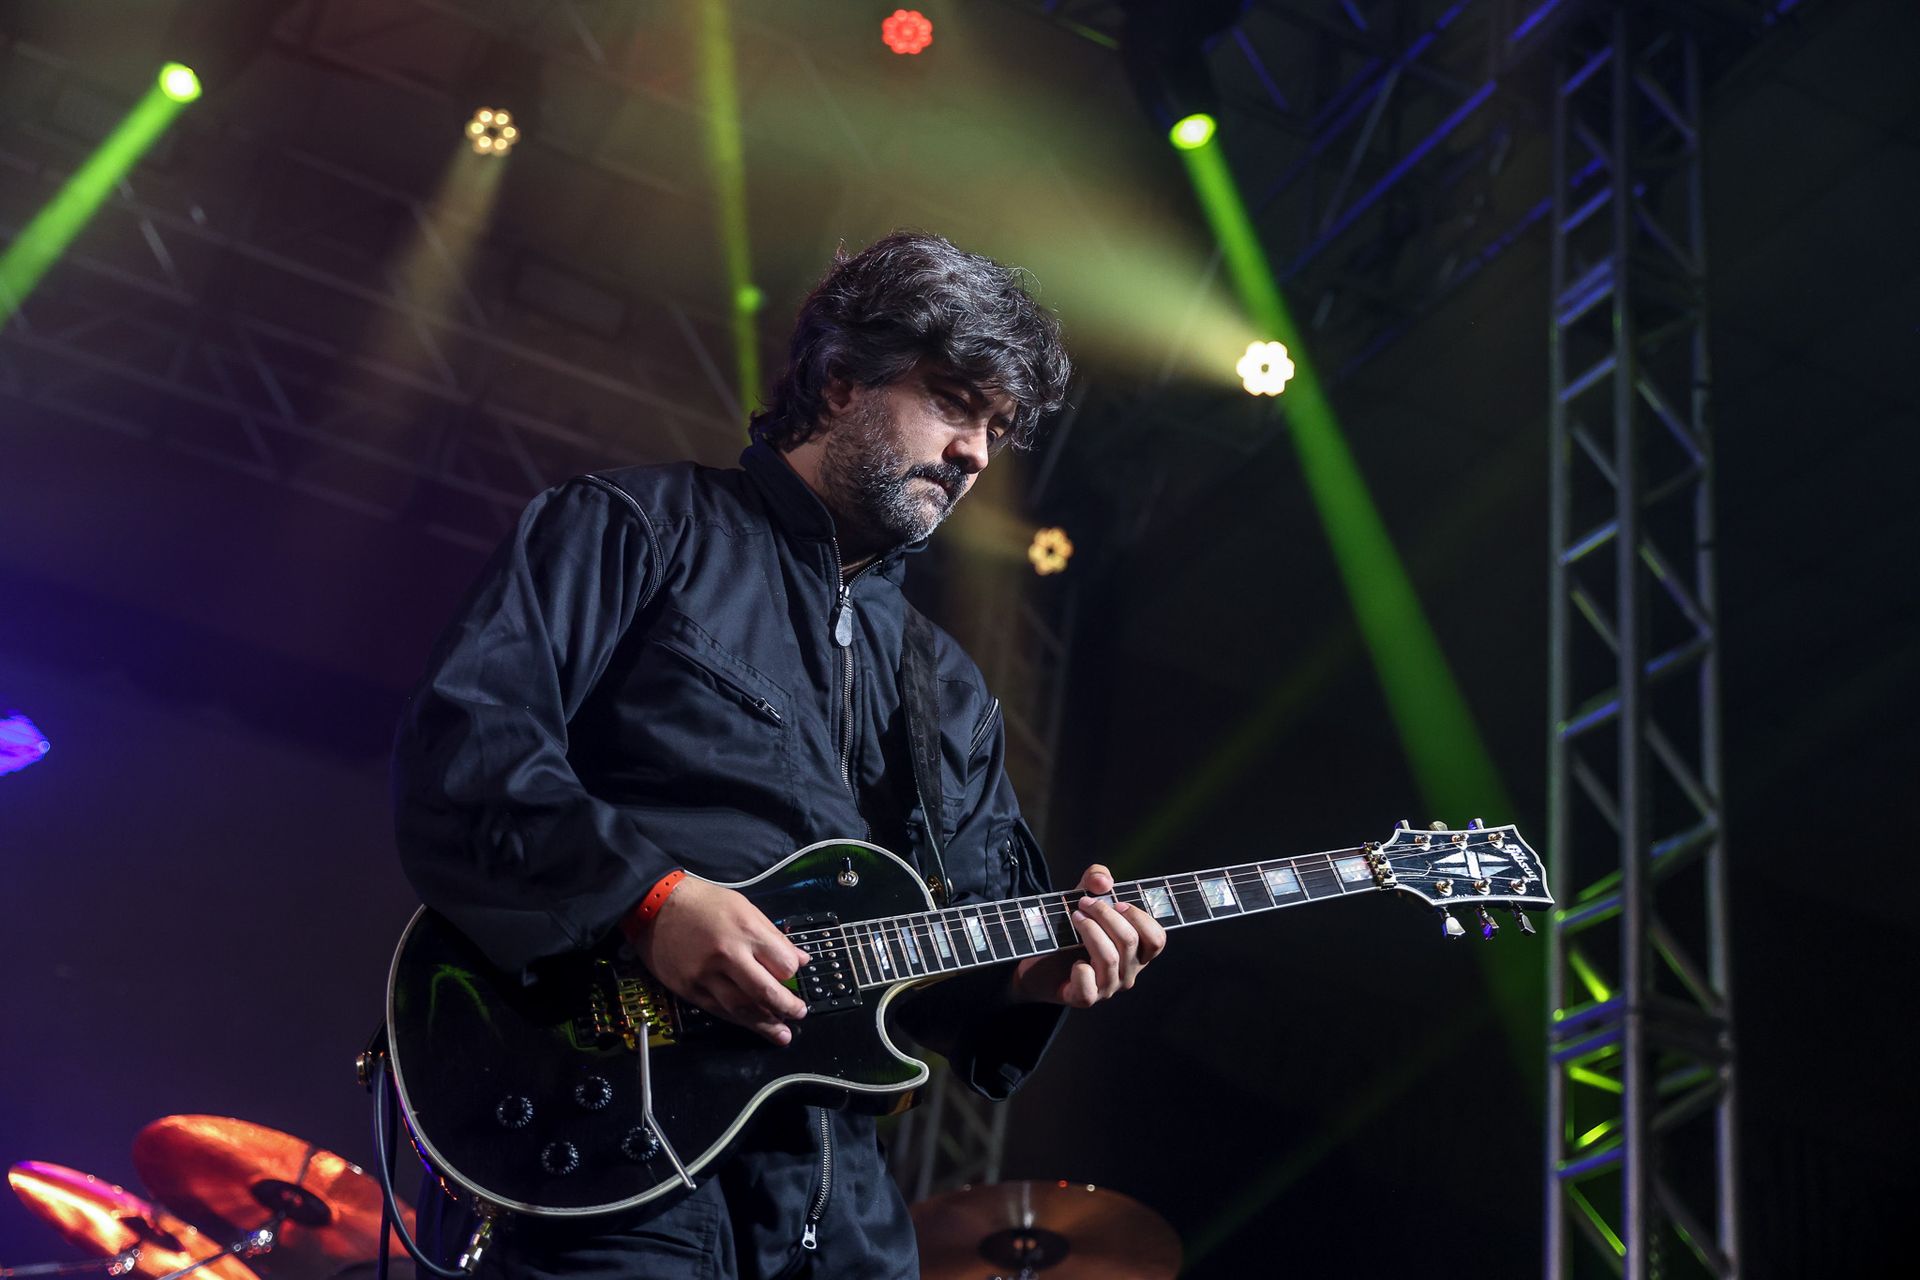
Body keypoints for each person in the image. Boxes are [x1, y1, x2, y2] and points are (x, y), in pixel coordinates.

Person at [391, 231, 1166, 1279]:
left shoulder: (945, 689)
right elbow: (468, 755)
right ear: (842, 380)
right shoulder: (635, 527)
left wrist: (1039, 971)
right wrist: (650, 897)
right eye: (951, 400)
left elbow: (955, 966)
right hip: (608, 1157)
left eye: (995, 425)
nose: (977, 452)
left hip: (834, 1201)